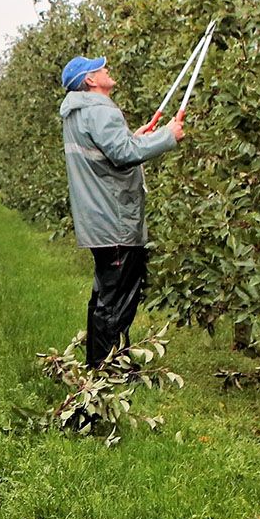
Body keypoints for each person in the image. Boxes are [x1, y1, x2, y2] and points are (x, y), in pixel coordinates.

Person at [59, 55, 184, 368]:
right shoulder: (99, 110)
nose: (106, 69)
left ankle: (103, 364)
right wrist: (167, 137)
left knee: (105, 295)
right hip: (114, 219)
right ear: (90, 80)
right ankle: (107, 370)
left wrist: (136, 138)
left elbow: (111, 151)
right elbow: (124, 154)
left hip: (99, 218)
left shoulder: (79, 112)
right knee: (116, 300)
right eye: (100, 68)